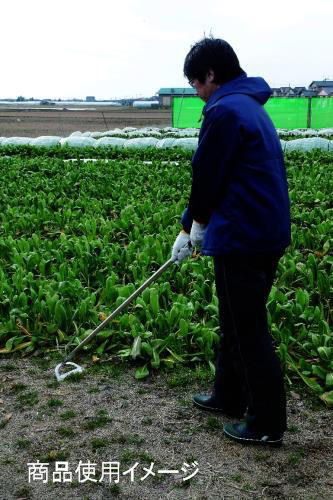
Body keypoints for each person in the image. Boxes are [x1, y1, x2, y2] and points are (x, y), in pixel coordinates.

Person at [171, 37, 291, 447]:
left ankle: (267, 422)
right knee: (234, 320)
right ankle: (230, 394)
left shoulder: (224, 111)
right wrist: (193, 225)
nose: (196, 92)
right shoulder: (250, 107)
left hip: (244, 235)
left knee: (249, 327)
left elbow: (208, 177)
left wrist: (191, 228)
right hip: (261, 231)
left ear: (211, 75)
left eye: (195, 83)